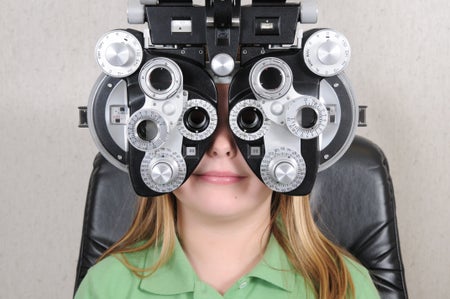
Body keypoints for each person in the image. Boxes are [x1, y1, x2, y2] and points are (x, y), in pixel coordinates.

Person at [75, 84, 380, 299]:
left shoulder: (341, 286)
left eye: (249, 121)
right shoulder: (108, 287)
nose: (221, 145)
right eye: (195, 120)